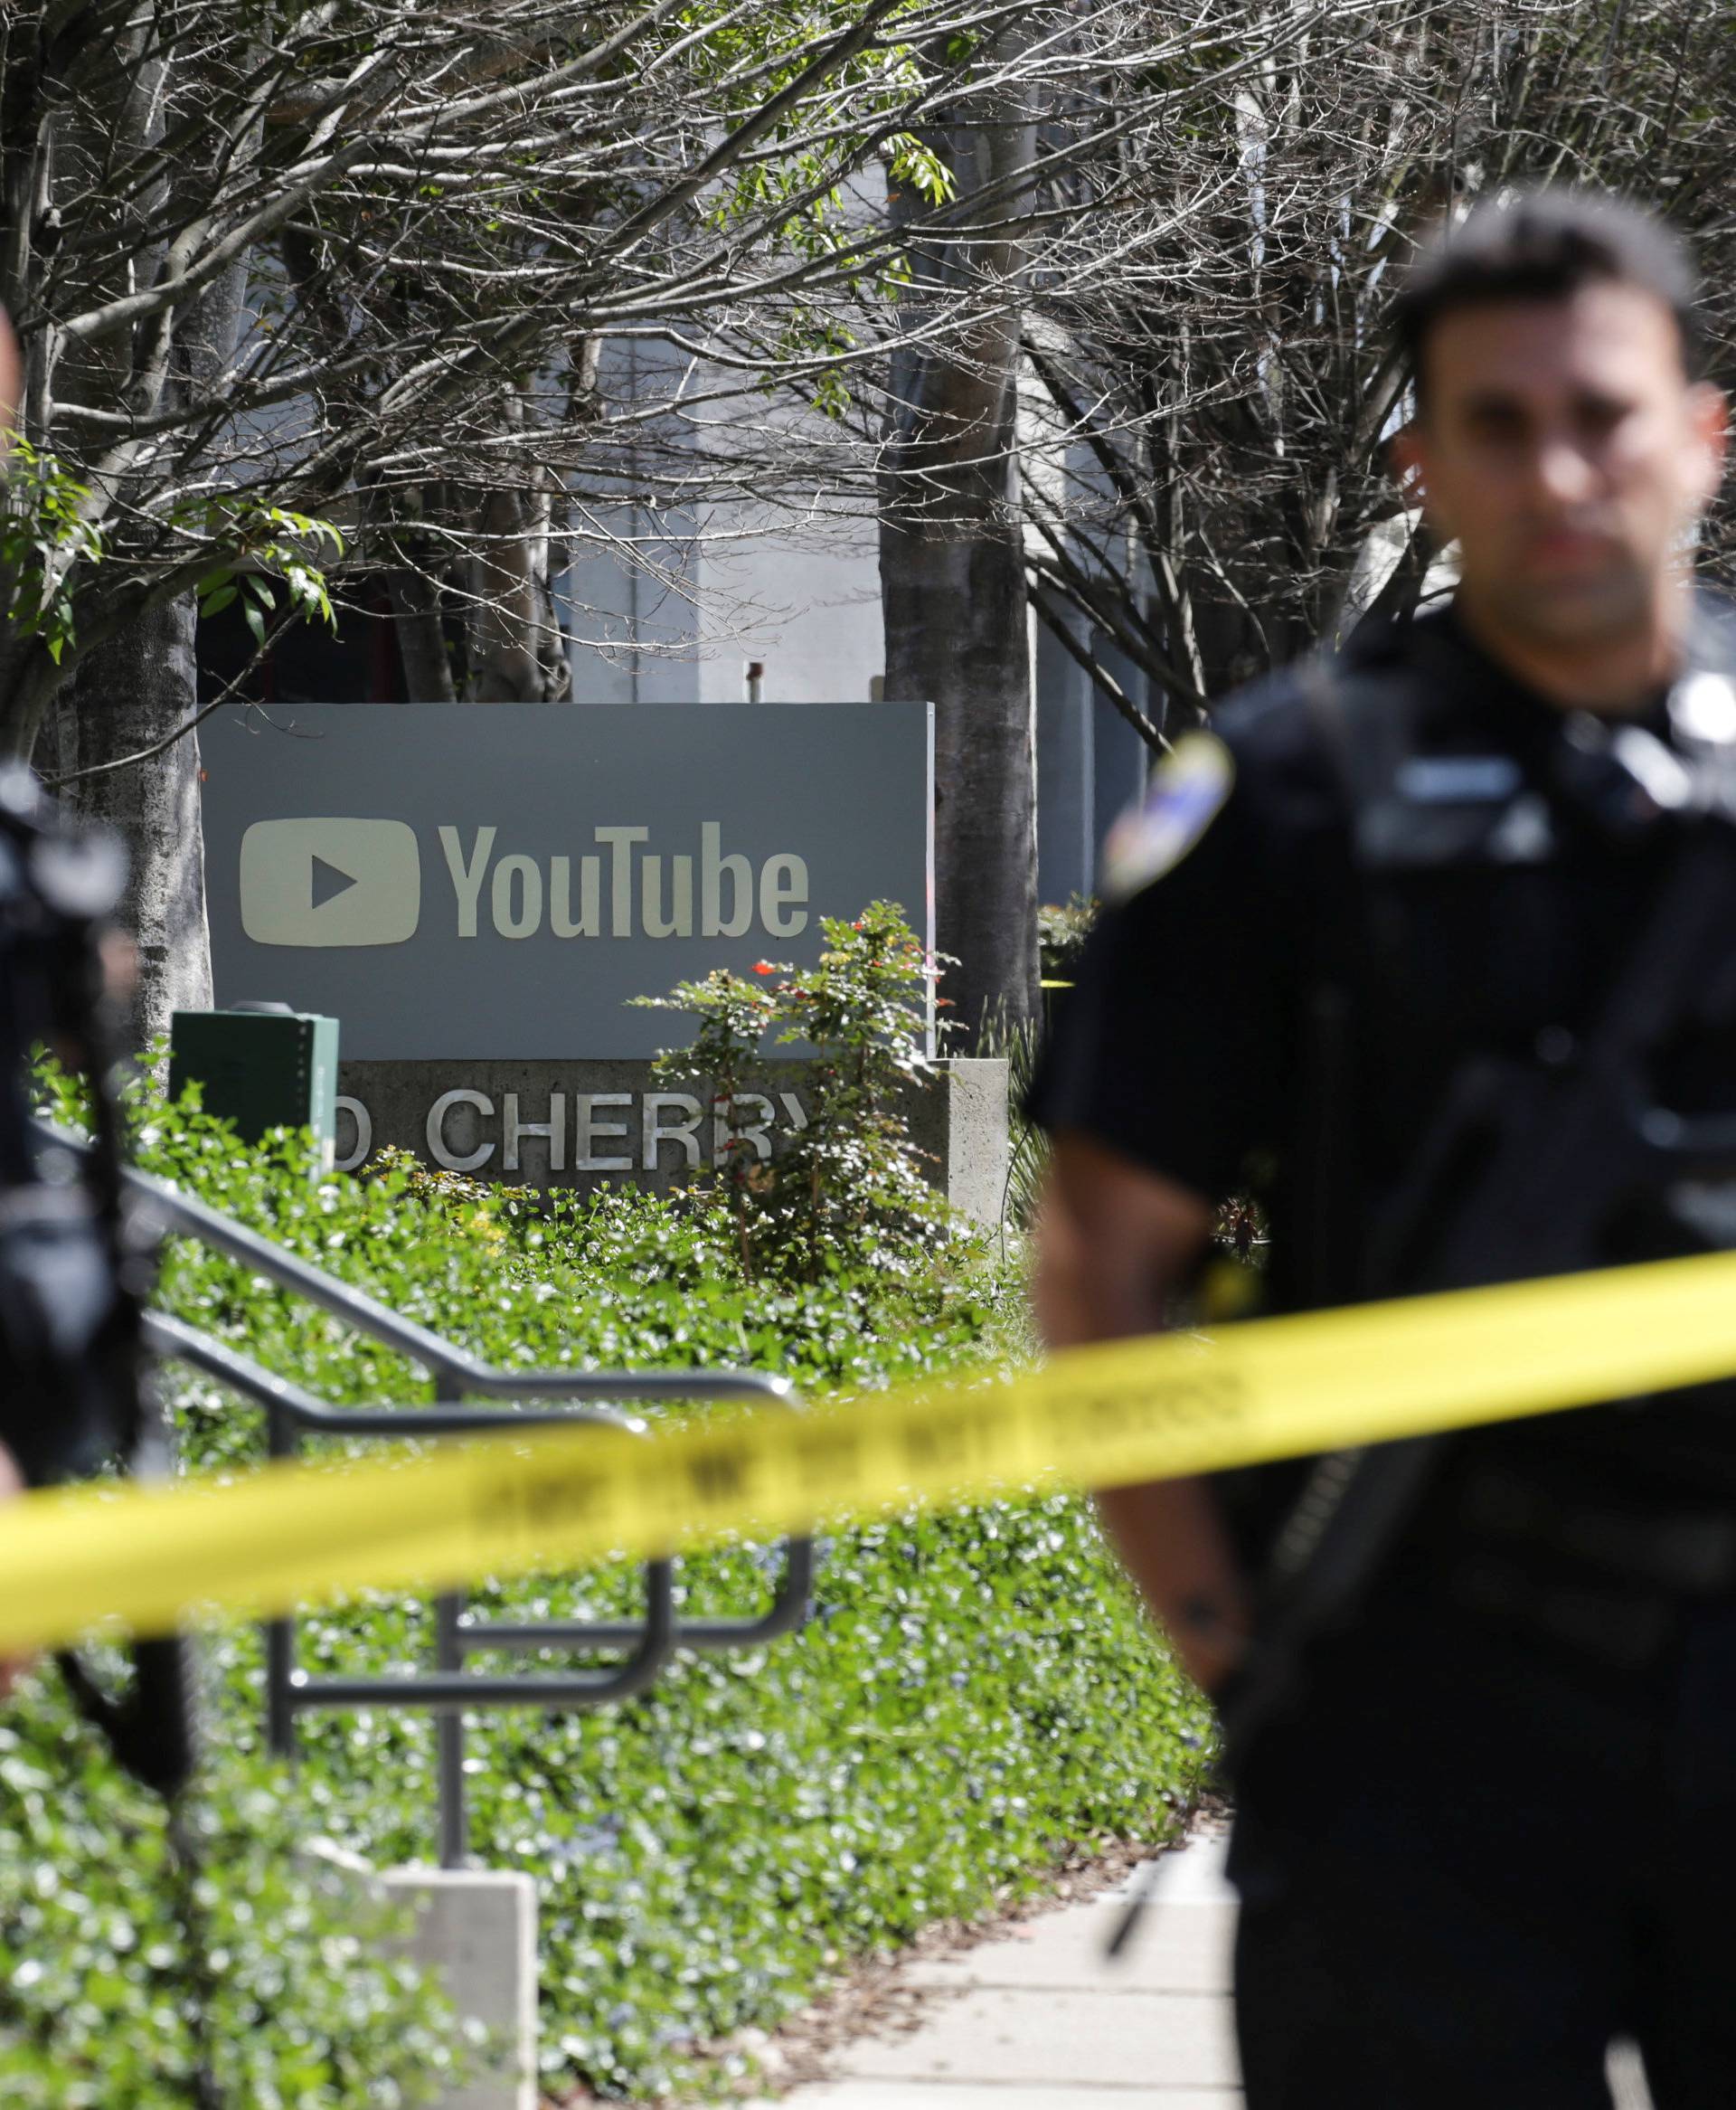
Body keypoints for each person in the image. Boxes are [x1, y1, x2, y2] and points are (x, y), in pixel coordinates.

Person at [1032, 187, 1736, 2107]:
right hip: (1423, 1712)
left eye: (1604, 414)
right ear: (1422, 468)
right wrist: (1244, 1672)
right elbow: (1102, 1266)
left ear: (1703, 431)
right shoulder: (1282, 800)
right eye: (1495, 428)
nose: (1560, 471)